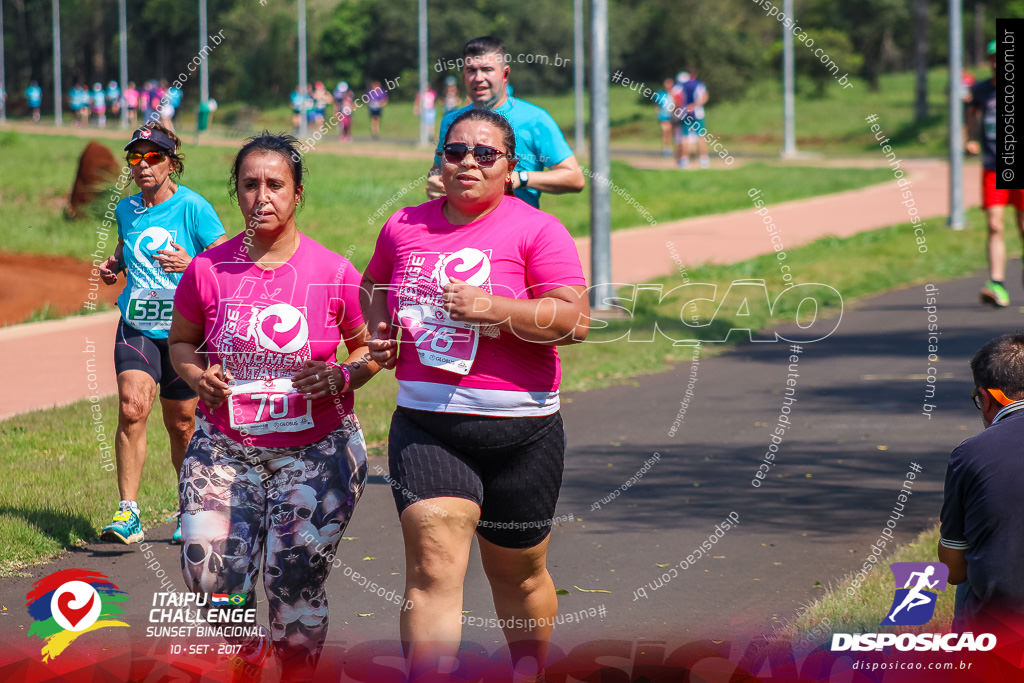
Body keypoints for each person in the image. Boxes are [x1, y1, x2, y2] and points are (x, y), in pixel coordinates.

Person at [362, 108, 590, 680]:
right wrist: (379, 331)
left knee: (519, 575)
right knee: (434, 570)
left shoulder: (537, 230)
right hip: (427, 422)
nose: (468, 162)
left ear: (510, 166)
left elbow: (574, 320)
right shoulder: (405, 226)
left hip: (524, 429)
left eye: (485, 154)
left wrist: (492, 308)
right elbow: (372, 286)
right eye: (456, 150)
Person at [169, 133, 378, 678]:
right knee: (209, 578)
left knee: (293, 581)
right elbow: (182, 342)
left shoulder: (332, 271)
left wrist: (337, 376)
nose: (263, 196)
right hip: (224, 449)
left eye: (276, 184)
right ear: (235, 193)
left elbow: (370, 353)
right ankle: (249, 652)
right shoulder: (207, 269)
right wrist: (198, 377)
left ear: (298, 193)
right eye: (250, 184)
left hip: (317, 451)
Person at [95, 122, 228, 546]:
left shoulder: (194, 207)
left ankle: (188, 506)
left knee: (183, 423)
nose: (143, 164)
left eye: (153, 156)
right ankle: (128, 512)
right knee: (133, 407)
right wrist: (115, 264)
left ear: (172, 162)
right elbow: (125, 242)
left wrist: (192, 263)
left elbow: (226, 261)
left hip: (183, 332)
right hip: (136, 322)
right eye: (136, 157)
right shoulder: (126, 209)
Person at [427, 36, 585, 208]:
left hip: (517, 229)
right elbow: (438, 168)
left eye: (487, 69)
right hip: (462, 228)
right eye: (471, 70)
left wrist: (522, 178)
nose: (478, 78)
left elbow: (574, 178)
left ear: (505, 74)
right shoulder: (451, 121)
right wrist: (434, 180)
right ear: (464, 76)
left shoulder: (534, 119)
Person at [938, 332, 1024, 630]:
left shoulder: (971, 453)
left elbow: (952, 568)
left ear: (986, 398)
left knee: (969, 576)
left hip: (1001, 627)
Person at [966, 40, 1024, 307]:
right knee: (994, 224)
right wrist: (971, 138)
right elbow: (971, 112)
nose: (997, 63)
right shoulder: (981, 91)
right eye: (993, 58)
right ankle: (997, 284)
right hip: (992, 166)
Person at [677, 67, 709, 169]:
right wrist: (695, 105)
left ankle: (684, 159)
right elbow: (704, 97)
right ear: (695, 74)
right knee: (701, 137)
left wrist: (680, 107)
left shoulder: (681, 85)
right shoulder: (699, 84)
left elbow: (676, 96)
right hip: (698, 113)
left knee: (685, 137)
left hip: (685, 113)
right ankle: (704, 159)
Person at [654, 78, 675, 157]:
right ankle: (666, 148)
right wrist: (658, 114)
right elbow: (657, 106)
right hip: (664, 116)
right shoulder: (661, 94)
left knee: (670, 133)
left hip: (673, 116)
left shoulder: (674, 93)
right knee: (666, 131)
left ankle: (669, 147)